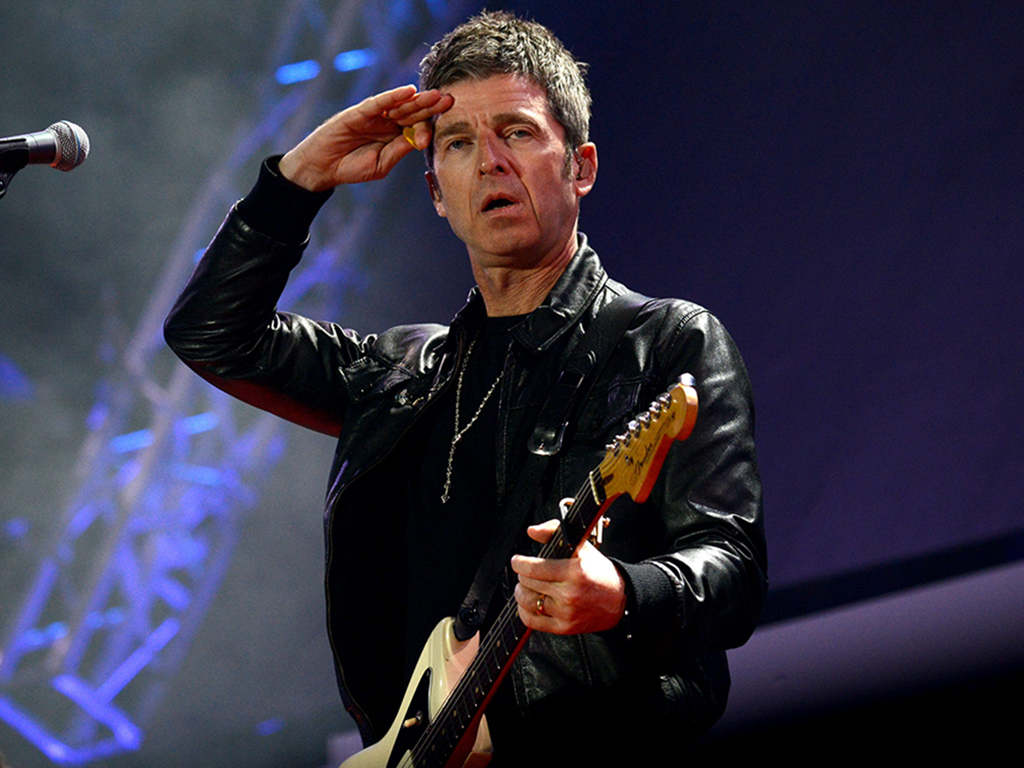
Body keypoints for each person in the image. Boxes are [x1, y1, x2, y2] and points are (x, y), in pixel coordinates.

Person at [165, 11, 766, 764]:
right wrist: (299, 179)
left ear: (579, 167)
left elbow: (732, 569)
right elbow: (211, 334)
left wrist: (623, 593)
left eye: (516, 132)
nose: (488, 162)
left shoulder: (664, 341)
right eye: (458, 143)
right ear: (437, 193)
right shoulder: (396, 374)